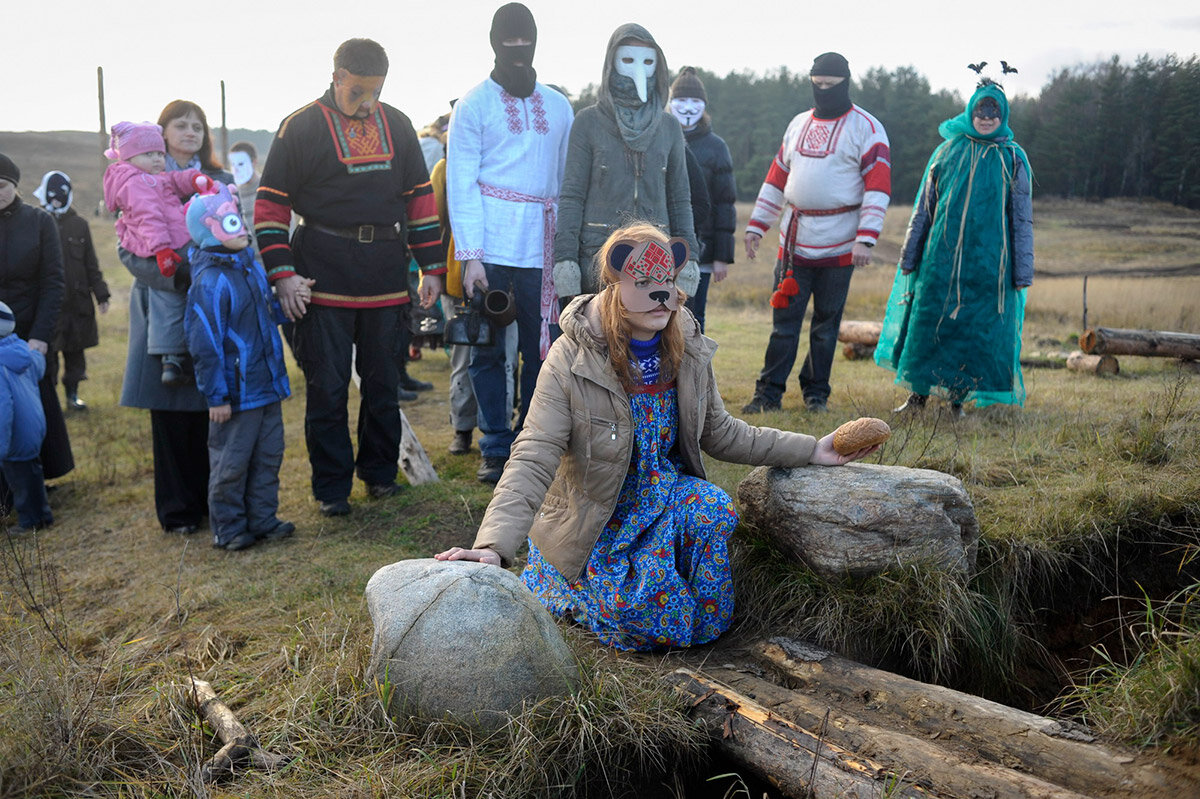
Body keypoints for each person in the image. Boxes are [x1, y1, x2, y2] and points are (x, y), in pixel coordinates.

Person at [436, 223, 878, 651]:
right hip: (596, 515)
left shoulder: (684, 341)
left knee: (712, 506)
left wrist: (812, 449)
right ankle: (580, 592)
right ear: (615, 283)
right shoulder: (572, 356)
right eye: (644, 280)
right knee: (633, 610)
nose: (660, 293)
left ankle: (692, 611)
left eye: (666, 279)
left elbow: (722, 432)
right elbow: (534, 453)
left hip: (661, 498)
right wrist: (492, 546)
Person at [254, 38, 445, 517]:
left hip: (384, 272)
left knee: (383, 383)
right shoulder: (300, 127)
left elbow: (420, 199)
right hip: (321, 275)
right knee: (328, 386)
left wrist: (433, 269)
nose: (366, 102)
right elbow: (270, 207)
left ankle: (379, 476)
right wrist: (283, 275)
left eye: (374, 91)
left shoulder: (397, 124)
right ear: (337, 76)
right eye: (357, 90)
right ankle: (331, 490)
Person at [447, 1, 574, 483]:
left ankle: (531, 439)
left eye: (526, 42)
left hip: (542, 246)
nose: (518, 51)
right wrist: (472, 258)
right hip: (492, 247)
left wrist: (564, 249)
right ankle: (495, 444)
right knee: (487, 350)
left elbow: (565, 181)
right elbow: (461, 184)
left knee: (543, 351)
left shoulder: (559, 106)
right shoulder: (473, 105)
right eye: (509, 43)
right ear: (495, 44)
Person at [741, 53, 891, 415]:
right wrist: (757, 224)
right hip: (794, 244)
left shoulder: (867, 128)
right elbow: (777, 177)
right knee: (784, 324)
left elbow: (878, 187)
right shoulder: (797, 124)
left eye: (830, 85)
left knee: (826, 325)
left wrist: (865, 238)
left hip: (840, 246)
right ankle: (768, 394)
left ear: (845, 83)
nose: (823, 90)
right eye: (817, 84)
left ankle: (816, 394)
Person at [875, 78, 1033, 416]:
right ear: (970, 111)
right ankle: (917, 396)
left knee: (971, 332)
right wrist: (910, 255)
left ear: (1002, 115)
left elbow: (1021, 218)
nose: (986, 118)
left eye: (994, 112)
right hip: (939, 262)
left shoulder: (1012, 158)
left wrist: (1021, 271)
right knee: (927, 324)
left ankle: (957, 401)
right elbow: (925, 209)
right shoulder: (948, 152)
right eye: (981, 111)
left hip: (990, 267)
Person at [118, 101, 231, 535]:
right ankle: (178, 511)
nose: (190, 131)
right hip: (161, 306)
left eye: (197, 125)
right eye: (180, 125)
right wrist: (179, 275)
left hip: (212, 305)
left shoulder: (217, 181)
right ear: (160, 134)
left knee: (211, 407)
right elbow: (129, 250)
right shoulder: (136, 179)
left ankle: (212, 500)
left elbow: (237, 233)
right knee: (169, 412)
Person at [553, 23, 699, 305]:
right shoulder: (588, 122)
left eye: (647, 61)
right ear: (611, 62)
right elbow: (571, 196)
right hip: (597, 259)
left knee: (648, 344)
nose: (638, 69)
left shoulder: (669, 127)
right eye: (628, 59)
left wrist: (689, 257)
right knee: (597, 342)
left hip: (656, 260)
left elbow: (680, 199)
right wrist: (566, 260)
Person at [183, 184, 293, 551]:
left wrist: (293, 300)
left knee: (268, 455)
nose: (243, 229)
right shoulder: (210, 281)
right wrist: (216, 395)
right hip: (235, 395)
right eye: (233, 221)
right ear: (208, 228)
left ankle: (263, 518)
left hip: (267, 387)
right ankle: (228, 528)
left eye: (240, 219)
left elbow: (264, 313)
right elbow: (204, 343)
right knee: (231, 463)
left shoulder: (251, 268)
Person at [103, 121, 213, 386]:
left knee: (177, 297)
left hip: (175, 241)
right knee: (167, 298)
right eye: (148, 154)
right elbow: (148, 218)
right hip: (161, 248)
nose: (156, 159)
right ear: (129, 158)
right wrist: (162, 250)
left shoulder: (152, 177)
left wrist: (193, 179)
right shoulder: (135, 184)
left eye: (159, 154)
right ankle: (171, 357)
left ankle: (179, 354)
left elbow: (174, 181)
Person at [0, 153, 73, 487]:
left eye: (1, 186)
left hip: (31, 330)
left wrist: (41, 335)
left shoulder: (40, 222)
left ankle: (44, 477)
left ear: (14, 185)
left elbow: (53, 281)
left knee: (37, 405)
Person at [32, 171, 110, 411]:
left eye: (62, 195)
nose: (57, 200)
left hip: (77, 303)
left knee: (75, 353)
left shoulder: (80, 225)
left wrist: (102, 294)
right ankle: (50, 400)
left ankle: (72, 395)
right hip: (48, 305)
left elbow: (91, 264)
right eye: (52, 195)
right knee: (48, 355)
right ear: (45, 194)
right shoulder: (37, 222)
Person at [668, 67, 736, 333]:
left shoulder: (716, 147)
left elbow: (725, 202)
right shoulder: (660, 139)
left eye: (694, 102)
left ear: (704, 106)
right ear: (670, 103)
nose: (687, 108)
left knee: (694, 314)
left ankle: (694, 371)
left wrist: (722, 256)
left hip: (702, 249)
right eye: (681, 101)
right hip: (661, 245)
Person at [0, 301, 52, 531]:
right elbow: (39, 365)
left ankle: (30, 523)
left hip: (15, 435)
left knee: (21, 484)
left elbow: (3, 410)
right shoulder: (21, 351)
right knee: (33, 476)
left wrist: (1, 446)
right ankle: (44, 515)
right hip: (34, 426)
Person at [227, 141, 260, 232]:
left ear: (254, 162)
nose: (236, 169)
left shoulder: (268, 190)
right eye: (233, 164)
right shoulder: (231, 195)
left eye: (241, 164)